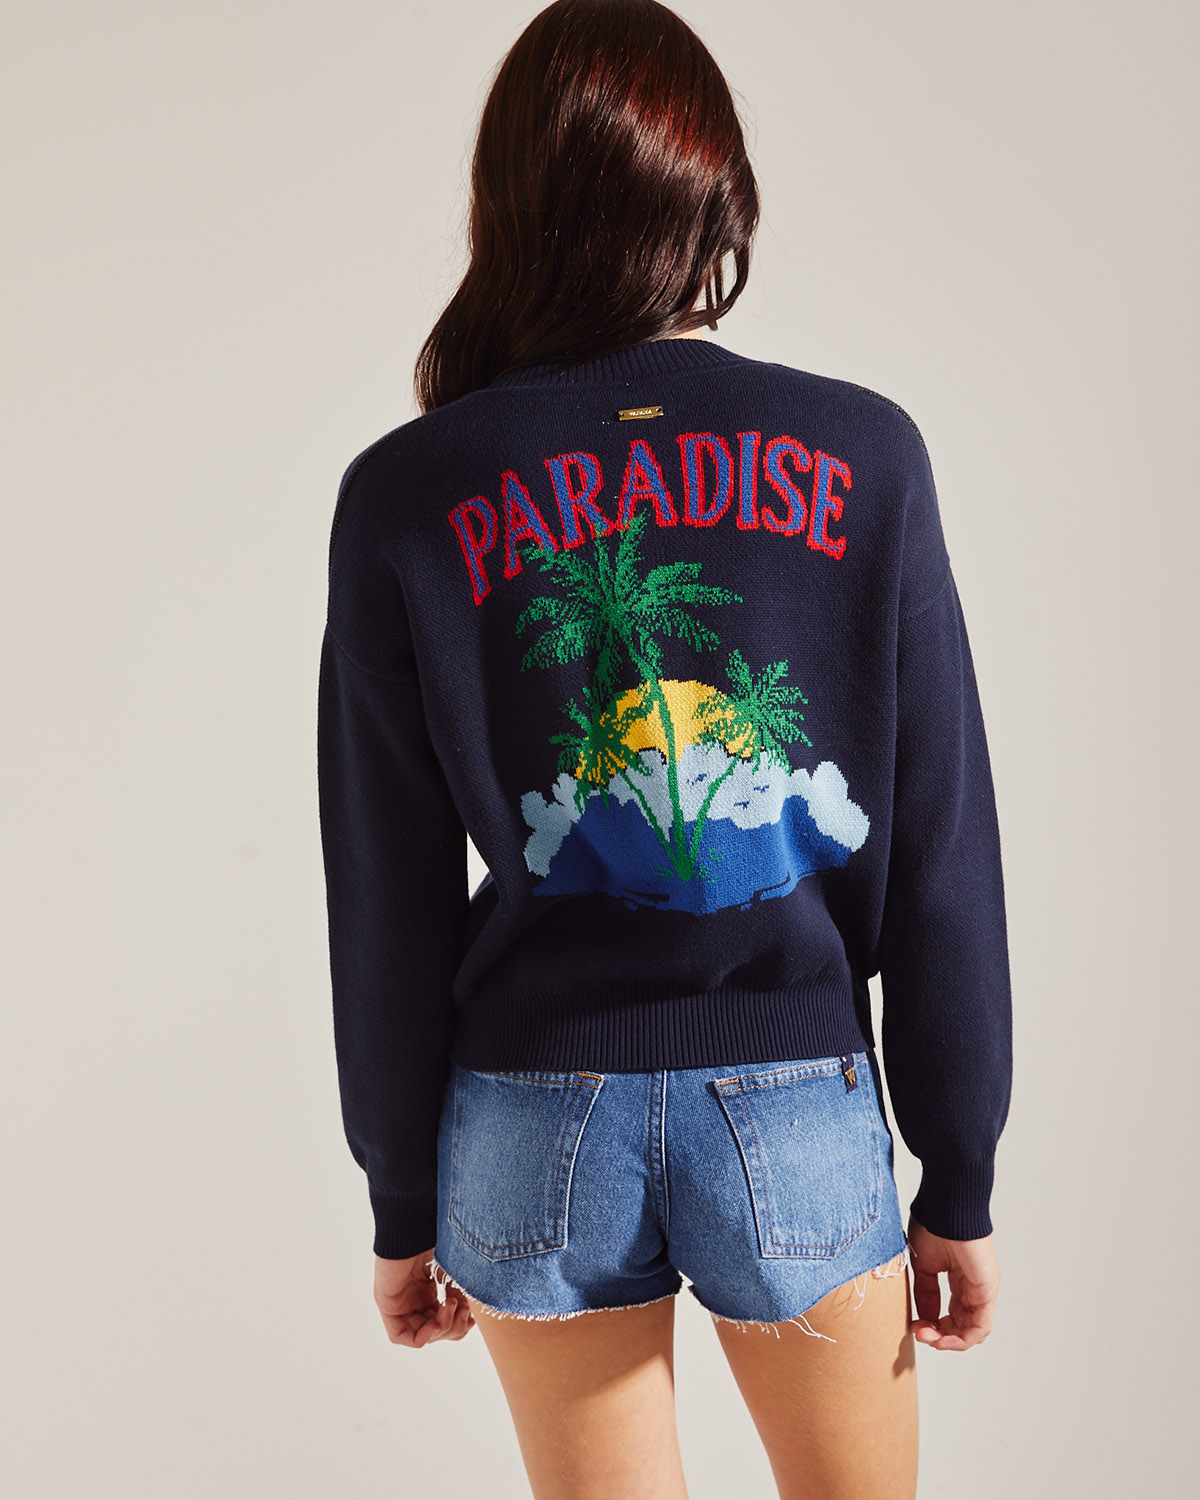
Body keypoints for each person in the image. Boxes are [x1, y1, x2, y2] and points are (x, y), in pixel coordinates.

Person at [316, 1, 1012, 1495]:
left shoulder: (407, 491)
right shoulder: (865, 456)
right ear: (718, 195)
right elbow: (941, 846)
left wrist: (401, 1194)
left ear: (509, 202)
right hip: (796, 1099)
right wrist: (959, 1165)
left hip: (528, 1116)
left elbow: (385, 887)